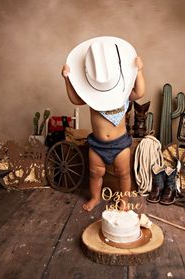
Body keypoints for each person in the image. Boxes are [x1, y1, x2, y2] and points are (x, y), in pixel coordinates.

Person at [61, 37, 145, 211]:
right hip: (97, 144)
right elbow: (76, 100)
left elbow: (139, 92)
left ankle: (124, 201)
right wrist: (67, 79)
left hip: (120, 143)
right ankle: (95, 198)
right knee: (95, 173)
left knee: (123, 174)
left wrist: (138, 71)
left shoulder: (123, 91)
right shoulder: (92, 92)